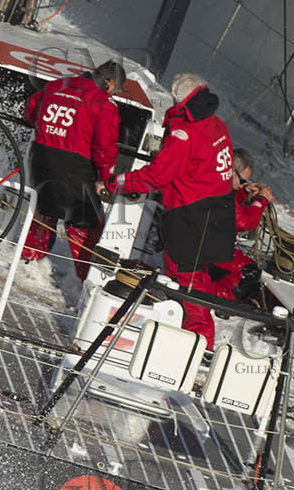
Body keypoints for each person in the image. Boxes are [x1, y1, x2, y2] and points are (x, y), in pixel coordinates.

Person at [99, 72, 235, 350]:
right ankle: (184, 338)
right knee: (194, 280)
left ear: (178, 101)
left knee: (188, 284)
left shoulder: (185, 133)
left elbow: (156, 176)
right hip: (218, 215)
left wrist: (115, 183)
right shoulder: (216, 123)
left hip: (191, 220)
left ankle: (200, 347)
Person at [21, 60, 124, 281]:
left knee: (44, 212)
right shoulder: (104, 103)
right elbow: (104, 148)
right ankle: (86, 282)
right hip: (74, 169)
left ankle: (26, 264)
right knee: (88, 225)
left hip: (39, 161)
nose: (113, 94)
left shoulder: (56, 85)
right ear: (109, 83)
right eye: (115, 91)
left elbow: (30, 111)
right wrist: (106, 180)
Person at [208, 147, 274, 302]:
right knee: (249, 272)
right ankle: (219, 301)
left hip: (211, 246)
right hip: (208, 251)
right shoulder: (219, 191)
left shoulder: (218, 184)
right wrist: (261, 201)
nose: (241, 185)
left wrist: (243, 192)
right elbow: (243, 222)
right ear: (231, 172)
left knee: (250, 264)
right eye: (242, 181)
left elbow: (231, 208)